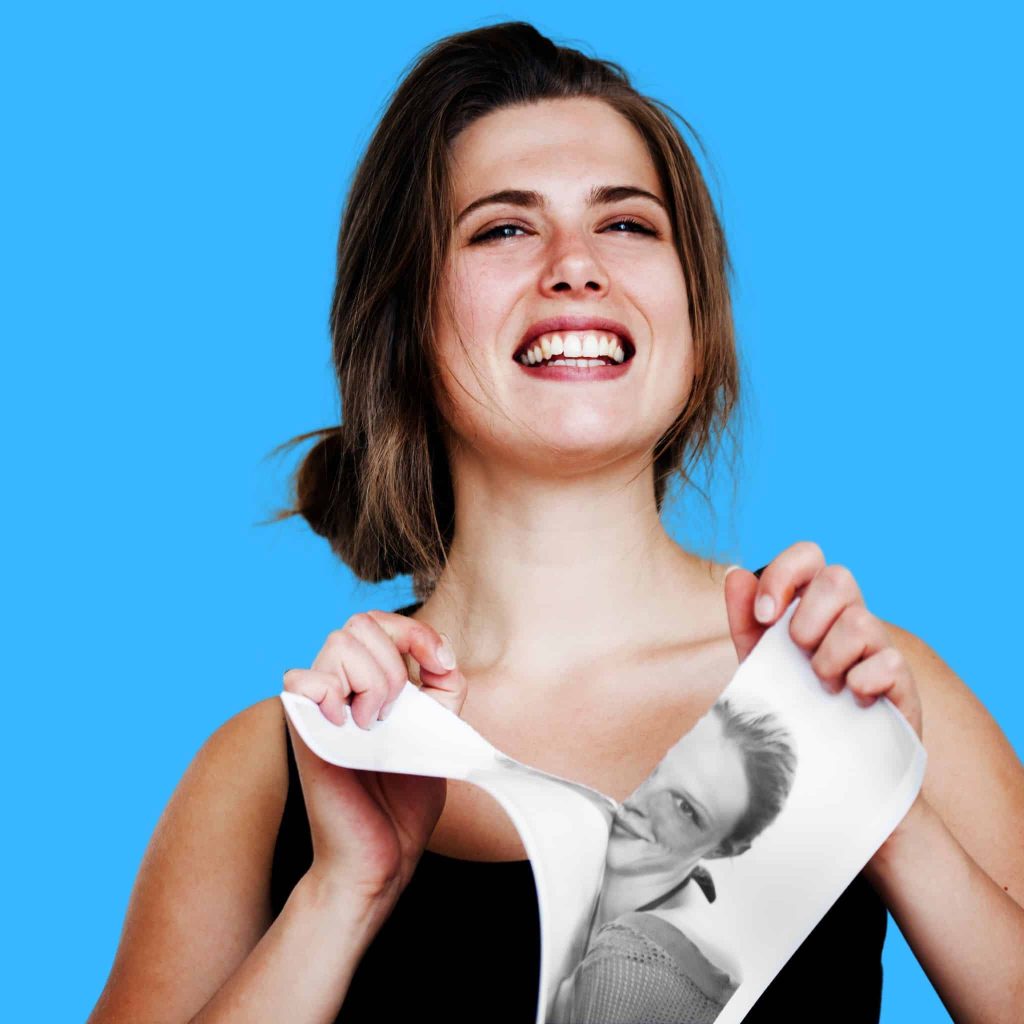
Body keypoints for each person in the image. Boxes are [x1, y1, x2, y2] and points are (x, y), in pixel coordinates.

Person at [84, 19, 1024, 1024]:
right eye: (502, 228)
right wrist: (340, 894)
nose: (576, 266)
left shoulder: (863, 687)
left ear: (696, 328)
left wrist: (879, 806)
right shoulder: (269, 770)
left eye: (626, 225)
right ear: (403, 331)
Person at [550, 699, 797, 1022]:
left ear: (722, 849)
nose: (638, 797)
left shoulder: (632, 959)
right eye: (651, 760)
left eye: (683, 808)